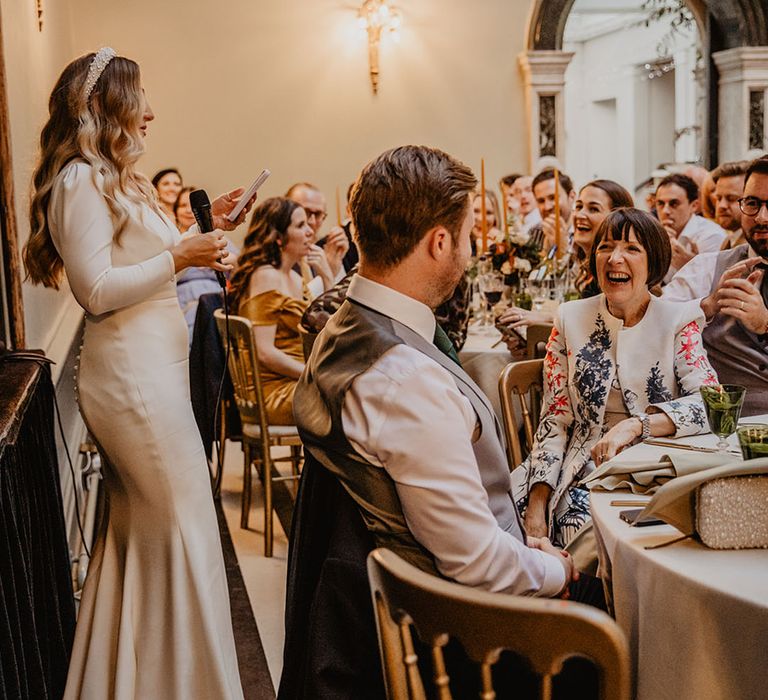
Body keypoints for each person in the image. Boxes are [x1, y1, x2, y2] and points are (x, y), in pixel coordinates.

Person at [22, 49, 247, 698]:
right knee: (184, 531)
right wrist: (180, 254)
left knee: (143, 543)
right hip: (133, 388)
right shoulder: (78, 181)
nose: (151, 112)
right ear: (102, 108)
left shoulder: (116, 180)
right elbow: (95, 290)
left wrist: (205, 229)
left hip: (154, 376)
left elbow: (137, 261)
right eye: (139, 97)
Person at [511, 208, 717, 547]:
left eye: (632, 249)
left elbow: (712, 402)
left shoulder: (679, 319)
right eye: (605, 247)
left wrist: (638, 425)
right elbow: (556, 418)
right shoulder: (570, 318)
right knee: (524, 530)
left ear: (654, 262)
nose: (614, 259)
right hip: (577, 469)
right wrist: (538, 502)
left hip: (654, 475)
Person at [663, 155, 768, 416]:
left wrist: (765, 325)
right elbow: (653, 322)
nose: (762, 217)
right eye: (753, 203)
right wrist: (706, 306)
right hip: (721, 429)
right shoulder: (708, 267)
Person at [228, 196, 335, 424]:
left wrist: (326, 276)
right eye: (300, 225)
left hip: (295, 381)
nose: (310, 231)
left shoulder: (295, 277)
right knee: (352, 398)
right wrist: (313, 375)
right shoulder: (266, 275)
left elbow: (326, 329)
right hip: (273, 391)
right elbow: (264, 352)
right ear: (278, 238)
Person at [497, 180, 633, 338]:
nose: (580, 215)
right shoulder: (584, 265)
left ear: (616, 217)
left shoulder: (617, 269)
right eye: (579, 207)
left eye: (593, 209)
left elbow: (607, 328)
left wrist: (547, 319)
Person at [173, 186, 239, 343]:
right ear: (175, 212)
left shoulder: (216, 237)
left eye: (191, 207)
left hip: (215, 296)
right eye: (182, 206)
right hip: (184, 300)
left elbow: (239, 264)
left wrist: (226, 258)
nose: (188, 211)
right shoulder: (173, 240)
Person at [655, 173, 726, 282]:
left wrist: (691, 267)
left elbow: (712, 287)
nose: (665, 211)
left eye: (674, 204)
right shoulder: (655, 234)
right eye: (660, 204)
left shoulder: (711, 235)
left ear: (694, 206)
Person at [286, 180, 350, 276]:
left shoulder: (321, 253)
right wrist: (328, 272)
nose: (312, 221)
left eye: (318, 214)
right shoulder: (274, 259)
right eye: (305, 212)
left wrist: (335, 266)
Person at [712, 160, 749, 249]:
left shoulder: (757, 246)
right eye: (719, 198)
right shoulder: (729, 240)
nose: (722, 205)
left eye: (731, 198)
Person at [470, 189, 503, 254]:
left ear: (496, 217)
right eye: (476, 211)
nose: (481, 218)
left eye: (488, 213)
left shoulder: (505, 251)